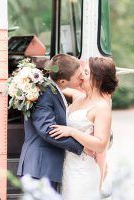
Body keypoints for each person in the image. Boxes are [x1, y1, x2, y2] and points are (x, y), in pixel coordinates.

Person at [49, 56, 118, 199]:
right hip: (67, 167)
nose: (81, 77)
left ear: (97, 79)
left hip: (83, 171)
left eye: (86, 73)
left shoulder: (102, 107)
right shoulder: (78, 97)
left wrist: (72, 132)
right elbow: (55, 85)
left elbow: (100, 145)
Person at [17, 54, 86, 190]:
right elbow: (48, 130)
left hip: (46, 167)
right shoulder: (45, 93)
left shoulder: (53, 89)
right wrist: (82, 146)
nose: (82, 77)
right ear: (62, 81)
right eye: (78, 76)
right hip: (40, 167)